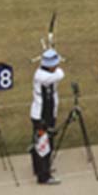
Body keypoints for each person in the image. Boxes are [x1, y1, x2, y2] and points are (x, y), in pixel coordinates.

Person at [30, 48, 63, 185]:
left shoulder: (46, 72)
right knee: (43, 144)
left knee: (44, 142)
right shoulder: (42, 76)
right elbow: (60, 74)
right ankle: (43, 175)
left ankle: (41, 169)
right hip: (41, 114)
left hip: (48, 112)